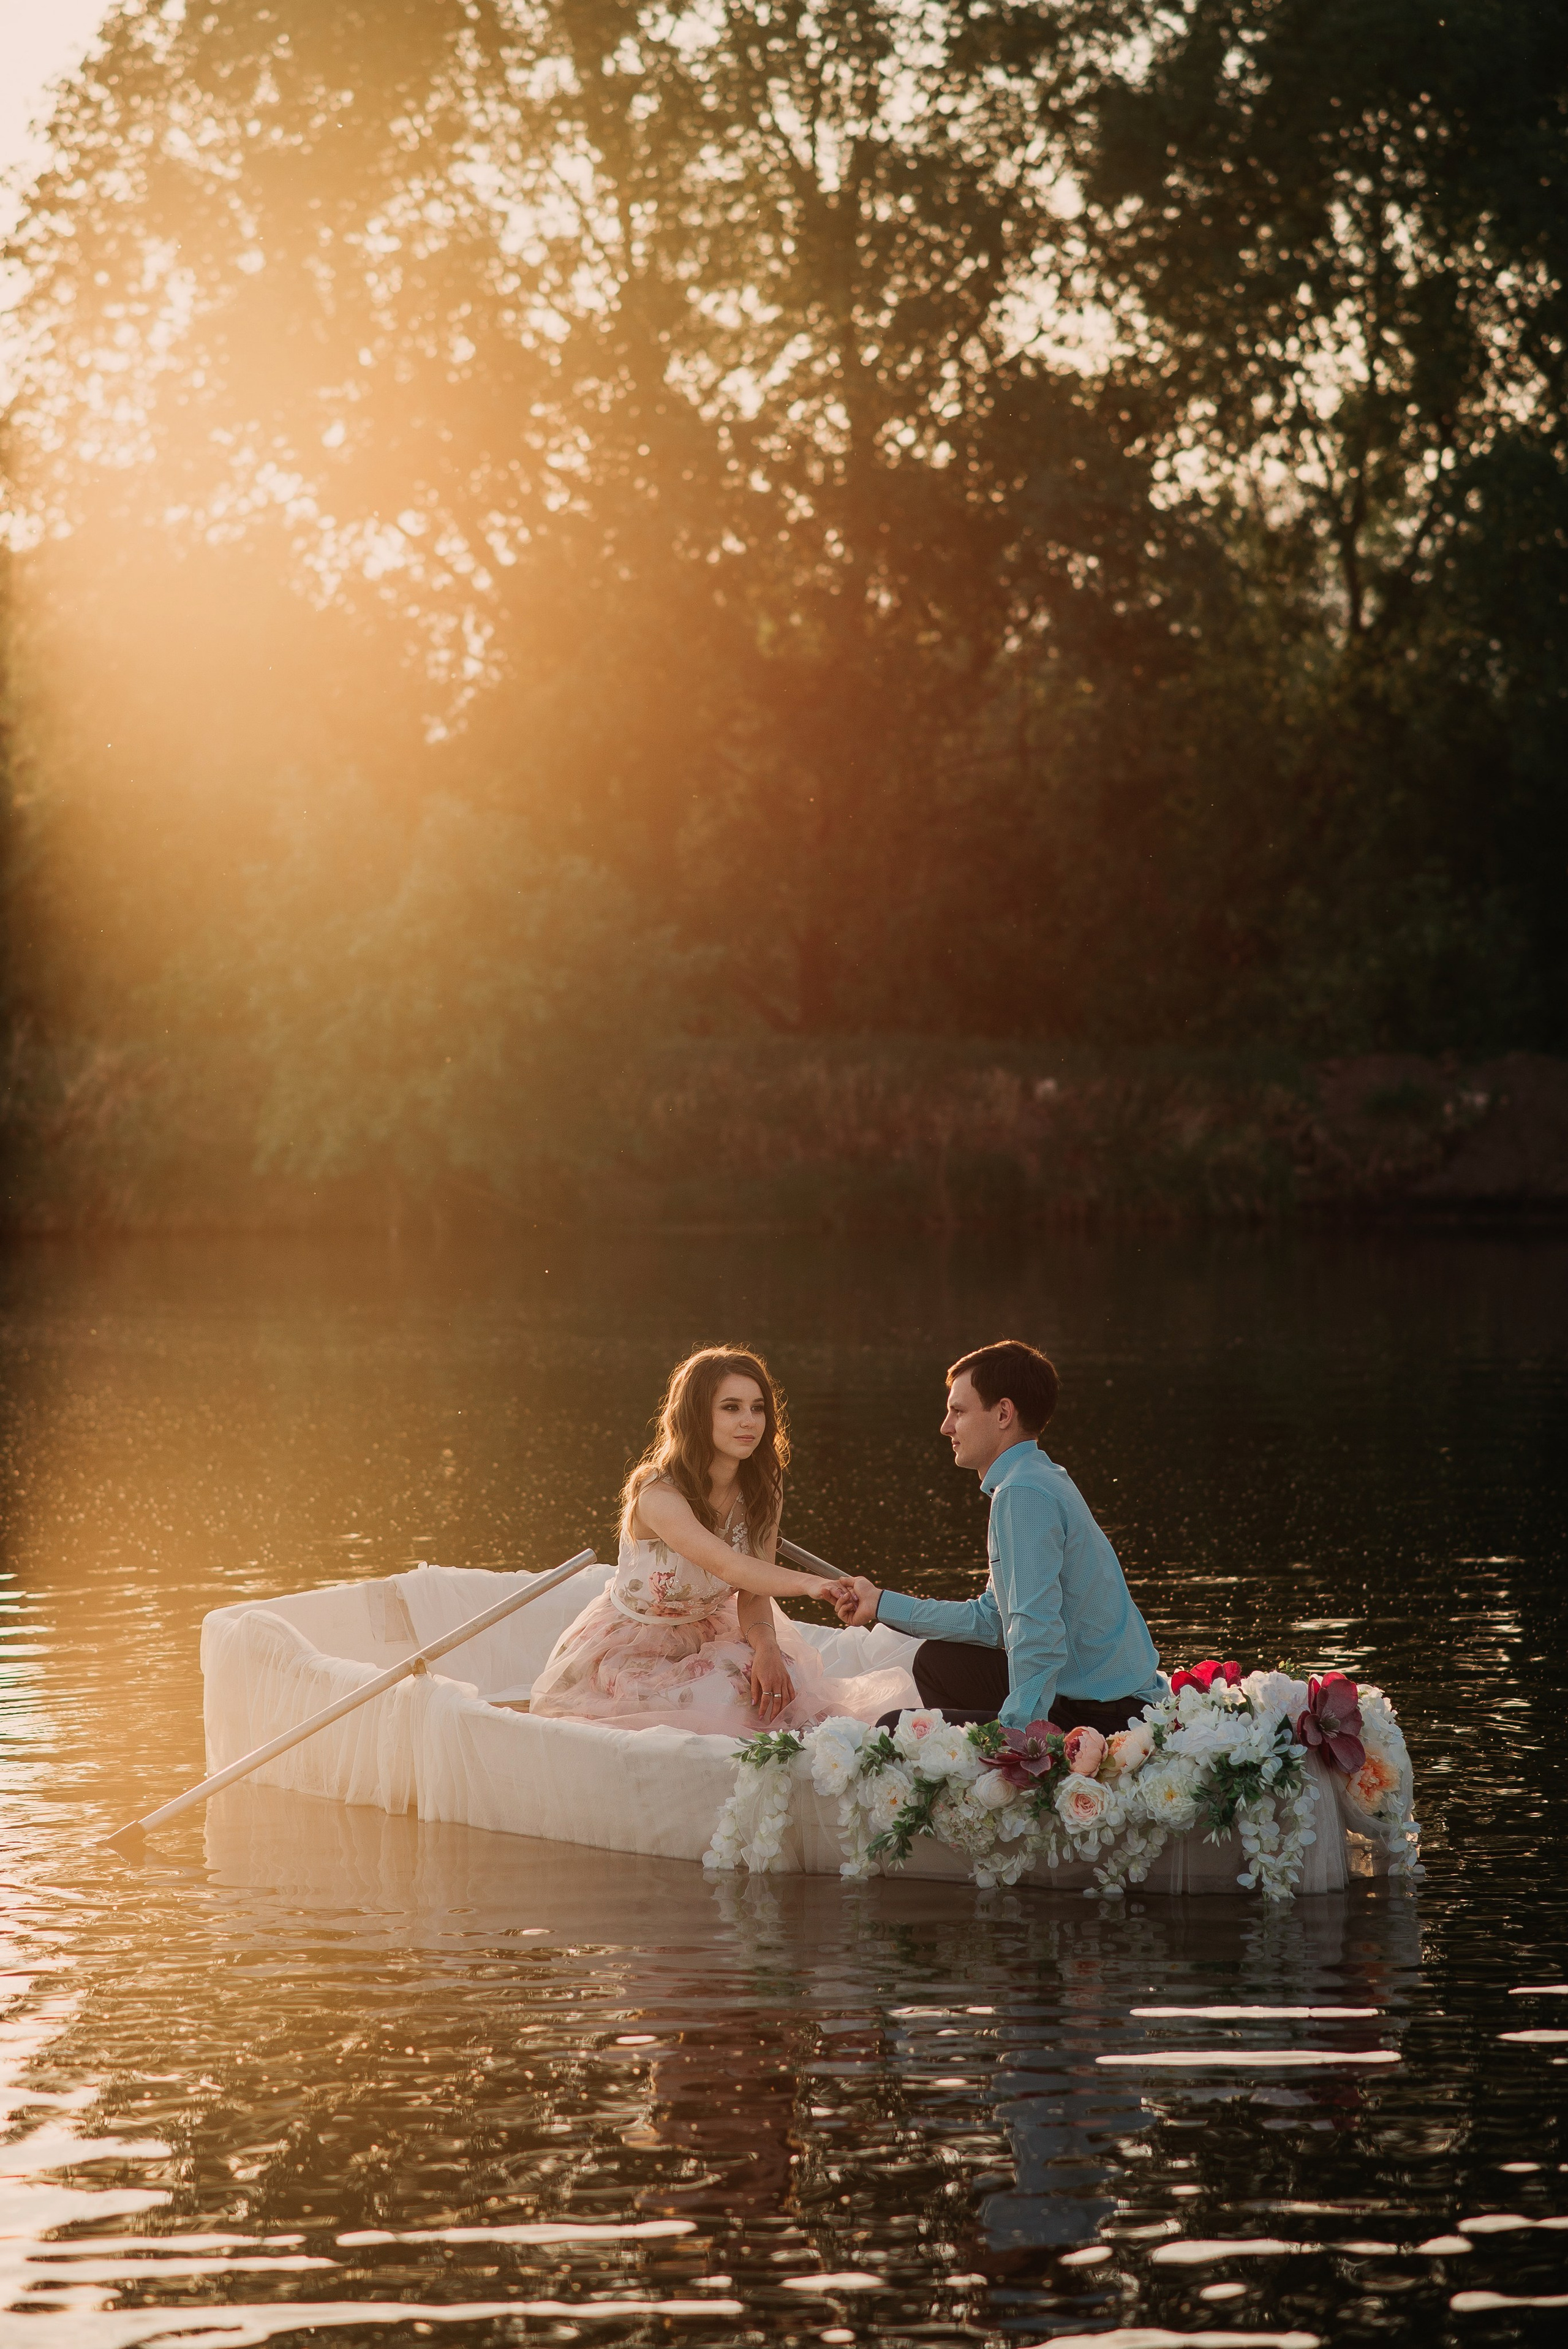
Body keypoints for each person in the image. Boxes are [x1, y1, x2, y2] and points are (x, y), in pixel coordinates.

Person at [529, 1345, 919, 1734]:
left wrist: (766, 1648)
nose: (749, 1421)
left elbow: (752, 1590)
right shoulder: (657, 1493)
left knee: (781, 1681)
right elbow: (730, 1567)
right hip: (634, 1641)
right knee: (722, 1697)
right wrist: (814, 1584)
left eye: (758, 1407)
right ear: (698, 1416)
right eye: (731, 1408)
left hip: (713, 1625)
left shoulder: (764, 1484)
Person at [830, 1339, 1164, 1735]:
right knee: (936, 1664)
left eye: (958, 1411)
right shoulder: (1034, 1477)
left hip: (1106, 1716)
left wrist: (1021, 1737)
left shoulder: (1023, 1494)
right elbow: (993, 1620)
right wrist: (880, 1603)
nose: (945, 1426)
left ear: (1004, 1413)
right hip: (1094, 1697)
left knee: (892, 1730)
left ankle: (1014, 1773)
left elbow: (1036, 1633)